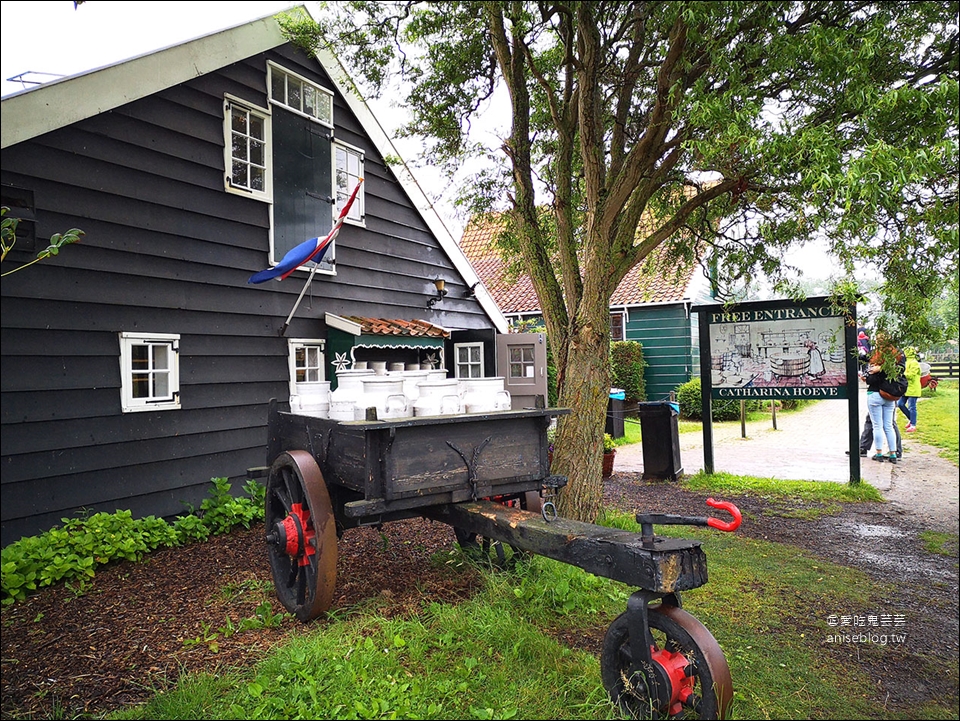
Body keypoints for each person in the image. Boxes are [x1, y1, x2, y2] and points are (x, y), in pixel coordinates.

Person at [862, 338, 903, 463]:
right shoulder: (895, 360)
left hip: (875, 394)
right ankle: (893, 454)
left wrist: (866, 378)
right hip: (889, 396)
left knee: (877, 426)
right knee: (888, 426)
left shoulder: (877, 359)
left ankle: (879, 453)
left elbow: (873, 380)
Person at [897, 347, 922, 432]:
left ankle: (913, 425)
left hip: (913, 388)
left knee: (912, 407)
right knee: (900, 404)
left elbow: (911, 375)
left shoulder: (914, 363)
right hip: (906, 388)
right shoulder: (906, 362)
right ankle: (911, 420)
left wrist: (901, 374)